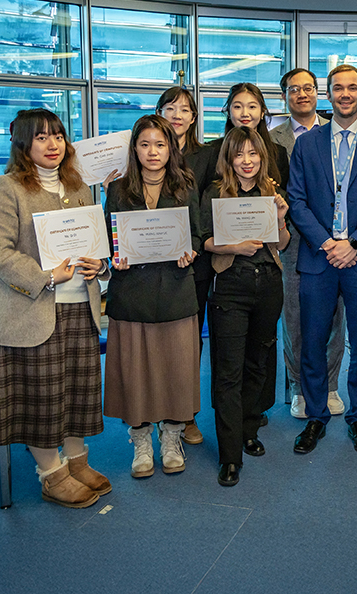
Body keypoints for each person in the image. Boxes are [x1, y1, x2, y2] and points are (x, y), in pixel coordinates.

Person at [0, 108, 110, 508]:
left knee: (76, 391)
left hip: (80, 307)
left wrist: (99, 265)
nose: (53, 144)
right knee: (43, 397)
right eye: (41, 137)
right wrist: (46, 276)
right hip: (32, 312)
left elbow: (94, 242)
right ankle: (52, 474)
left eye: (58, 135)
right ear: (23, 144)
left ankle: (77, 461)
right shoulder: (6, 188)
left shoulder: (78, 186)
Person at [287, 64, 357, 456]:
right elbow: (296, 201)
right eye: (338, 88)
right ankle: (316, 416)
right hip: (318, 258)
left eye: (352, 87)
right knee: (313, 342)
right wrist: (325, 242)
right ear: (328, 94)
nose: (345, 94)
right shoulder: (307, 144)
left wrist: (354, 243)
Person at [103, 114, 201, 478]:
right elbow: (109, 239)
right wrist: (114, 256)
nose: (153, 151)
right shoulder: (117, 189)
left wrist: (190, 252)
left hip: (175, 291)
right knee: (136, 372)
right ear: (134, 149)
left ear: (171, 148)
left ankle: (171, 437)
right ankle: (141, 441)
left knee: (177, 369)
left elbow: (196, 233)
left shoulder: (186, 186)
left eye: (160, 144)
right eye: (144, 144)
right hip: (132, 293)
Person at [200, 127, 291, 487]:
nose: (247, 161)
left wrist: (280, 216)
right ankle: (229, 454)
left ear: (262, 157)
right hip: (231, 286)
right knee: (228, 371)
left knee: (258, 363)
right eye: (239, 154)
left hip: (268, 285)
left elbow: (282, 243)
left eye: (253, 153)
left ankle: (249, 430)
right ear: (229, 158)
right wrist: (233, 248)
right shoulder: (215, 193)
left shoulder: (272, 192)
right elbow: (205, 241)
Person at [271, 68, 346, 420]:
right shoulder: (271, 140)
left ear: (319, 93)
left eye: (308, 88)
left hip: (335, 241)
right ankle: (299, 388)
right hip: (292, 240)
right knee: (294, 318)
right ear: (284, 96)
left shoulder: (338, 131)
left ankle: (329, 385)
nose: (302, 94)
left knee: (334, 317)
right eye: (293, 89)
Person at [217, 82, 290, 419]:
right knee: (229, 355)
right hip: (228, 268)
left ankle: (256, 410)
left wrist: (278, 216)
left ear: (263, 111)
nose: (245, 113)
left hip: (266, 262)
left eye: (252, 106)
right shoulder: (215, 152)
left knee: (261, 349)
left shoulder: (276, 153)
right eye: (237, 106)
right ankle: (231, 417)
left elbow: (283, 213)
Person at [156, 86, 215, 445]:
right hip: (150, 266)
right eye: (170, 108)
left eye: (184, 109)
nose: (177, 115)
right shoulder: (143, 151)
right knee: (154, 342)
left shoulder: (206, 156)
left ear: (194, 118)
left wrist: (195, 244)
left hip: (194, 261)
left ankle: (186, 414)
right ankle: (155, 411)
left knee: (189, 343)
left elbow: (208, 207)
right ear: (159, 112)